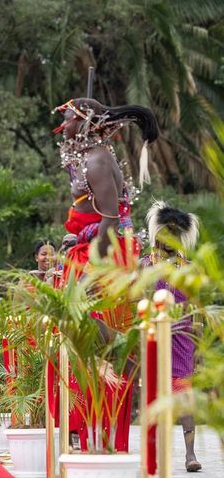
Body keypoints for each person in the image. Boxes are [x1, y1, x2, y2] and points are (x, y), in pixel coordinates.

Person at [53, 97, 159, 452]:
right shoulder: (88, 156)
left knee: (98, 336)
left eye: (69, 119)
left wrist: (90, 272)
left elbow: (111, 220)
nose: (64, 126)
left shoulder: (98, 160)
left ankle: (104, 429)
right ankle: (85, 427)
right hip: (92, 252)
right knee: (78, 336)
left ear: (86, 123)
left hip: (105, 259)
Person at [142, 201, 202, 472]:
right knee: (154, 399)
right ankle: (153, 453)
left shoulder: (189, 268)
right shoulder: (145, 265)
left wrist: (198, 348)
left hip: (183, 340)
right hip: (153, 338)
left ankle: (190, 454)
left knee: (184, 397)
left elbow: (196, 311)